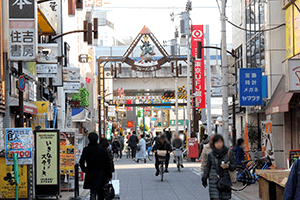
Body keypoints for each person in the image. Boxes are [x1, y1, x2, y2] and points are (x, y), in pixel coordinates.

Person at [202, 134, 237, 200]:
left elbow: (234, 166)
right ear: (214, 144)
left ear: (223, 142)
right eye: (216, 142)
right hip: (214, 181)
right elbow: (208, 167)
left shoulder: (229, 153)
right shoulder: (211, 155)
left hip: (225, 181)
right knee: (215, 198)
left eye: (220, 142)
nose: (219, 144)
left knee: (225, 198)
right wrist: (204, 177)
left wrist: (227, 166)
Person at [79, 132, 112, 200]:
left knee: (93, 192)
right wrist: (109, 174)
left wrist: (85, 169)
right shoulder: (102, 149)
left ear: (89, 139)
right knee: (101, 192)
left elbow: (81, 161)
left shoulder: (86, 149)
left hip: (90, 173)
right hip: (102, 173)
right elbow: (107, 162)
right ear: (97, 139)